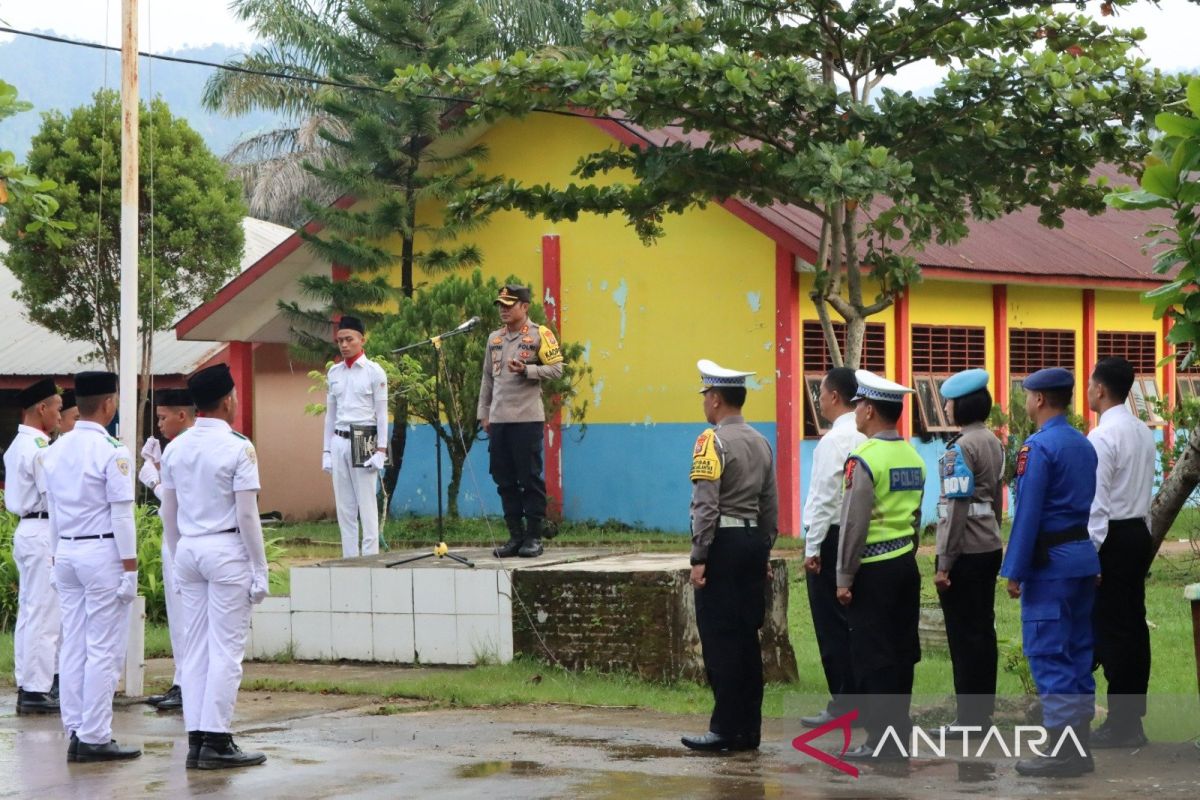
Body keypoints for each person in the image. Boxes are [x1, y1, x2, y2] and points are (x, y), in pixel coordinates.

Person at [160, 363, 269, 770]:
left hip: (187, 549)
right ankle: (218, 740)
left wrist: (178, 554)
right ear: (228, 402)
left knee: (196, 650)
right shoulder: (239, 447)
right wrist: (260, 569)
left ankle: (197, 739)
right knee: (225, 650)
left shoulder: (176, 448)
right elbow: (247, 517)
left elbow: (168, 513)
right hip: (225, 550)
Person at [1001, 367, 1100, 778]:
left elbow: (1028, 513)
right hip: (1082, 558)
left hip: (1050, 565)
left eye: (1027, 395)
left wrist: (1014, 570)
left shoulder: (1037, 448)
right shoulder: (1083, 443)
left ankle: (1061, 750)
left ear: (1040, 399)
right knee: (1078, 655)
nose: (1025, 402)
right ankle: (1079, 748)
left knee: (1049, 653)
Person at [42, 371, 141, 763]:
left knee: (74, 645)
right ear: (109, 404)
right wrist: (130, 569)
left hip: (65, 552)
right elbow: (122, 516)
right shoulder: (112, 451)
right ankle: (96, 735)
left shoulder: (54, 450)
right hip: (101, 555)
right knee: (103, 648)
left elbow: (51, 513)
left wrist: (54, 557)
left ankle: (76, 731)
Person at [681, 359, 779, 752]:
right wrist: (764, 550)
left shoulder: (711, 441)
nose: (705, 402)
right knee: (746, 639)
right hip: (753, 543)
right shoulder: (761, 441)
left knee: (720, 640)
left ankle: (723, 728)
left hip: (722, 546)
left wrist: (698, 556)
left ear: (717, 399)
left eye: (706, 395)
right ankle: (748, 730)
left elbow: (706, 505)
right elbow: (770, 505)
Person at [835, 370, 924, 761]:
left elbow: (854, 524)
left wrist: (844, 576)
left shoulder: (864, 458)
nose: (856, 411)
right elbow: (917, 515)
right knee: (902, 652)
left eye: (858, 405)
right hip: (905, 563)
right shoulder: (912, 455)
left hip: (872, 570)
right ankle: (899, 732)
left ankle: (878, 739)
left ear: (870, 409)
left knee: (873, 656)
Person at [1085, 357, 1156, 748]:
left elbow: (1097, 503)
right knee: (1133, 626)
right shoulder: (1143, 432)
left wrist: (1092, 554)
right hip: (1136, 534)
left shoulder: (1102, 437)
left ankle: (1120, 723)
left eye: (1091, 383)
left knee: (1112, 628)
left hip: (1111, 537)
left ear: (1100, 389)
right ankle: (1132, 718)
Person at [933, 368, 1005, 730]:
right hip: (989, 545)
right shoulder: (994, 441)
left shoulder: (959, 448)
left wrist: (944, 563)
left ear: (959, 406)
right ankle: (983, 713)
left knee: (964, 637)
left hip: (965, 552)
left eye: (948, 401)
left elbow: (955, 508)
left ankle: (969, 718)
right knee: (982, 631)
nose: (945, 406)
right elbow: (996, 499)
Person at [478, 284, 565, 558]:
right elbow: (487, 378)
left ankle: (533, 536)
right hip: (500, 418)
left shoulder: (541, 335)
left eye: (509, 304)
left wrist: (528, 370)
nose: (503, 309)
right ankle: (514, 535)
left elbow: (557, 369)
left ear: (524, 307)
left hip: (527, 418)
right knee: (503, 477)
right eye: (501, 305)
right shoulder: (494, 338)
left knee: (529, 477)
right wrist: (484, 412)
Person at [799, 367, 864, 729]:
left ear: (835, 396)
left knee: (831, 624)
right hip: (862, 537)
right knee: (855, 621)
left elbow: (823, 500)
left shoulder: (833, 441)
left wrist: (812, 548)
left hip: (833, 536)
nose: (818, 399)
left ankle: (843, 702)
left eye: (820, 393)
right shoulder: (867, 432)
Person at [5, 378, 63, 715]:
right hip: (42, 529)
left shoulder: (19, 444)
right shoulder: (40, 449)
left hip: (29, 529)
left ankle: (30, 683)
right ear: (41, 408)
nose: (59, 415)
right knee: (45, 615)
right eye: (56, 408)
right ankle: (37, 690)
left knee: (30, 612)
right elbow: (56, 495)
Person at [136, 387, 197, 712]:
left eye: (162, 417)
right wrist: (155, 467)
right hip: (176, 537)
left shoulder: (186, 449)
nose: (159, 424)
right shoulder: (175, 449)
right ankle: (181, 680)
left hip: (187, 538)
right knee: (177, 617)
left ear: (182, 415)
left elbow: (181, 501)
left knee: (187, 616)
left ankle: (188, 684)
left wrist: (155, 481)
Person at [322, 316, 389, 558]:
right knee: (345, 506)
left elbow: (381, 414)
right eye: (340, 340)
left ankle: (369, 558)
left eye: (349, 339)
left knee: (366, 503)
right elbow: (330, 415)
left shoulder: (374, 371)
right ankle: (349, 558)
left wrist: (381, 450)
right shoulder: (334, 372)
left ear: (362, 340)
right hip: (339, 439)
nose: (344, 345)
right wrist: (326, 451)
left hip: (364, 437)